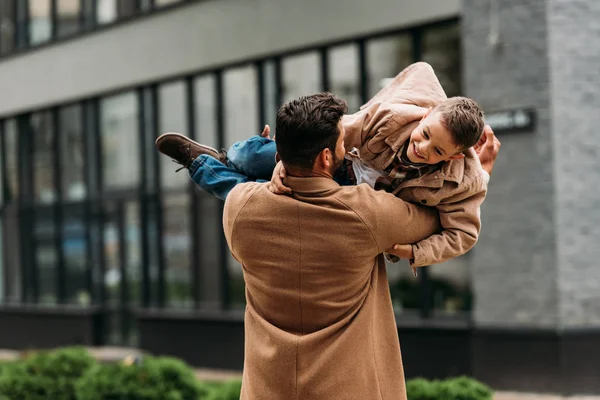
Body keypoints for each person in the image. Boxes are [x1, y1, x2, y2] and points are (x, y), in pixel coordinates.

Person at [156, 62, 501, 269]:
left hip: (355, 199)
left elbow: (464, 235)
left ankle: (203, 165)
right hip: (338, 162)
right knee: (254, 158)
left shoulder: (463, 182)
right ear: (425, 116)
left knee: (268, 203)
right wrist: (284, 161)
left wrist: (417, 252)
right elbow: (342, 132)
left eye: (437, 150)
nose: (422, 148)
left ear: (455, 156)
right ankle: (232, 156)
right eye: (424, 134)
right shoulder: (392, 118)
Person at [222, 92, 441, 399]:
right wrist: (478, 175)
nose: (347, 147)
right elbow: (434, 219)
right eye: (342, 142)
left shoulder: (238, 207)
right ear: (326, 158)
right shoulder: (367, 213)